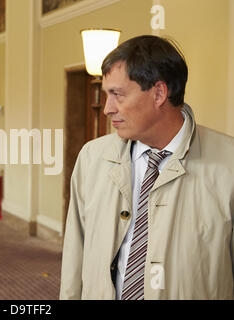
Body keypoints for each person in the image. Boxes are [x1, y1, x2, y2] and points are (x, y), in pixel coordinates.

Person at [60, 35, 234, 300]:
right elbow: (75, 258)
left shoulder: (228, 164)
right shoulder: (92, 158)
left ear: (159, 93)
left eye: (117, 94)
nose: (107, 109)